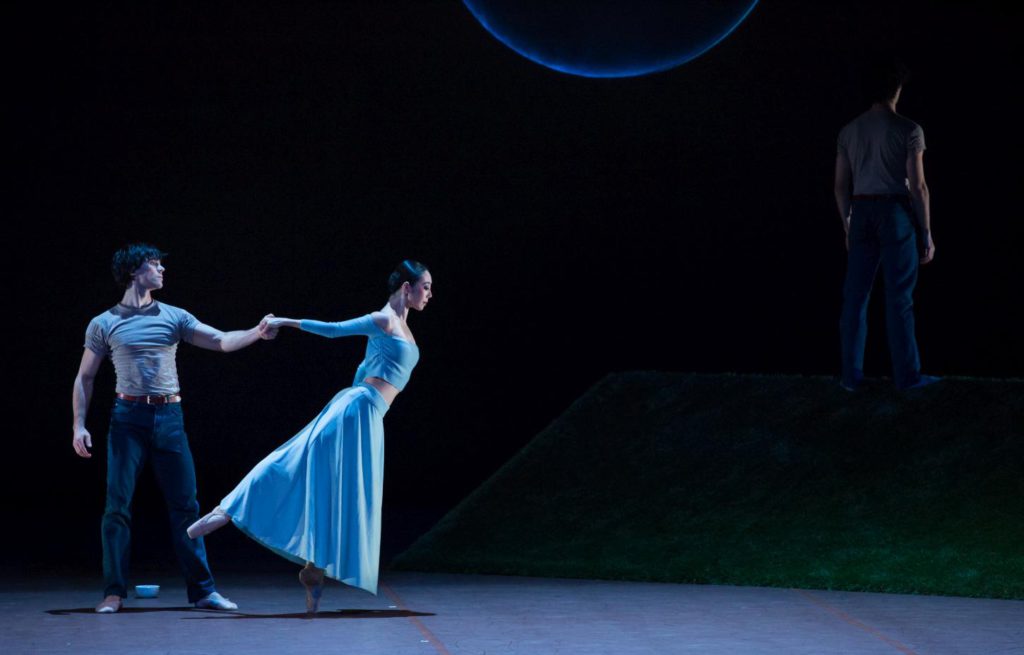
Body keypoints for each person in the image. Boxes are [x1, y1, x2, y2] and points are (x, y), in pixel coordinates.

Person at [187, 260, 432, 613]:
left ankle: (314, 570)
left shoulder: (404, 330)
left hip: (370, 416)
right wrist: (284, 321)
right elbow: (333, 330)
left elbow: (367, 368)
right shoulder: (383, 321)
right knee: (295, 462)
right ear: (406, 288)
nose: (429, 294)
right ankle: (227, 509)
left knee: (339, 490)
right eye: (425, 286)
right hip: (356, 411)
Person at [73, 243, 277, 614]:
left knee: (187, 506)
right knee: (117, 507)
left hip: (169, 418)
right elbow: (85, 377)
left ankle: (203, 591)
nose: (162, 270)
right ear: (136, 271)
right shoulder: (104, 323)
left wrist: (256, 332)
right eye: (155, 264)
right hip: (127, 419)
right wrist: (78, 424)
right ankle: (113, 593)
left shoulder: (174, 316)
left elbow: (220, 341)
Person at [834, 57, 939, 391]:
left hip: (861, 212)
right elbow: (919, 186)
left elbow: (840, 186)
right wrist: (926, 232)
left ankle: (851, 377)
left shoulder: (849, 130)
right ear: (897, 89)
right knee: (899, 299)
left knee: (855, 298)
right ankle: (907, 378)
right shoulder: (909, 130)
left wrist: (848, 223)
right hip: (895, 214)